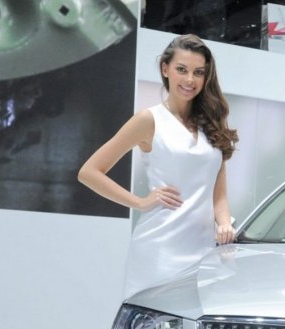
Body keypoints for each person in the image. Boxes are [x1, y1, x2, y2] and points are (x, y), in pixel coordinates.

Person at [78, 34, 238, 298]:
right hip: (160, 251)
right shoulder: (149, 120)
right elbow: (89, 172)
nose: (190, 80)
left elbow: (218, 193)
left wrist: (224, 224)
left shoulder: (211, 125)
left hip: (204, 252)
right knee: (153, 324)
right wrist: (140, 202)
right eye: (181, 70)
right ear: (165, 69)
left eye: (198, 72)